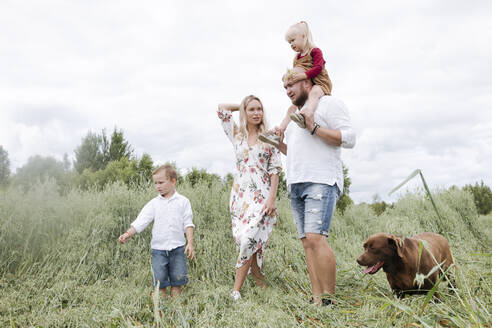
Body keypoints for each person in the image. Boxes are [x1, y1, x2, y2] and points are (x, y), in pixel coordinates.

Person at [275, 66, 355, 305]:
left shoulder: (328, 104)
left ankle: (329, 301)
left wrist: (315, 128)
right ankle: (317, 298)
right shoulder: (295, 114)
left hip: (321, 180)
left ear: (307, 83)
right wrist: (279, 145)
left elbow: (350, 138)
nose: (288, 90)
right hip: (296, 183)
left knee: (316, 238)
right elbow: (296, 153)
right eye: (285, 87)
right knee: (307, 242)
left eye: (292, 85)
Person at [217, 95, 282, 301]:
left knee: (248, 240)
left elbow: (275, 170)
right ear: (245, 112)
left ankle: (236, 289)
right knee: (246, 241)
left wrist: (271, 199)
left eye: (259, 109)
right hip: (239, 198)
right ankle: (258, 276)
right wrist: (242, 105)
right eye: (252, 109)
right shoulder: (237, 135)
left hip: (261, 197)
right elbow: (222, 108)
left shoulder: (269, 137)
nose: (256, 113)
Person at [118, 164, 195, 299]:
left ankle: (175, 310)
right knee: (160, 283)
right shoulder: (154, 203)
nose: (157, 186)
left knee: (177, 282)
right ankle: (159, 311)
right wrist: (128, 233)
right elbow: (141, 221)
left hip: (178, 248)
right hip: (159, 250)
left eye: (161, 182)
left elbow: (188, 223)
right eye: (155, 183)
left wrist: (190, 243)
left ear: (173, 181)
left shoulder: (183, 202)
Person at [260, 21, 333, 146]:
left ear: (303, 36)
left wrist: (303, 76)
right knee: (291, 108)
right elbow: (296, 72)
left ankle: (308, 113)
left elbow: (319, 67)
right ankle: (279, 131)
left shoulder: (315, 51)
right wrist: (288, 76)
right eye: (289, 42)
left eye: (293, 40)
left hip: (320, 82)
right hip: (306, 84)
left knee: (314, 93)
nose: (291, 44)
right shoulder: (296, 57)